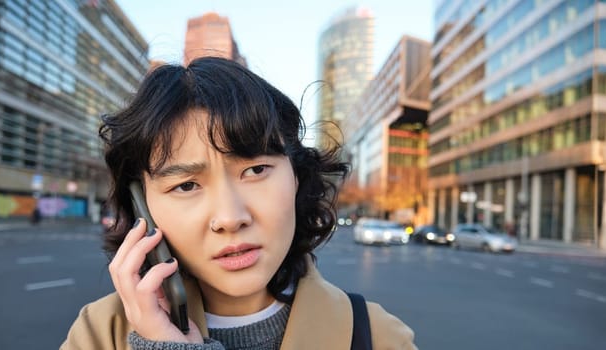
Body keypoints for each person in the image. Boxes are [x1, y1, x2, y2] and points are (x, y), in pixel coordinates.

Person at [62, 57, 415, 349]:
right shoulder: (100, 335)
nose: (230, 218)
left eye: (256, 169)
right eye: (186, 185)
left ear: (296, 176)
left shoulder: (378, 336)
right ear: (143, 206)